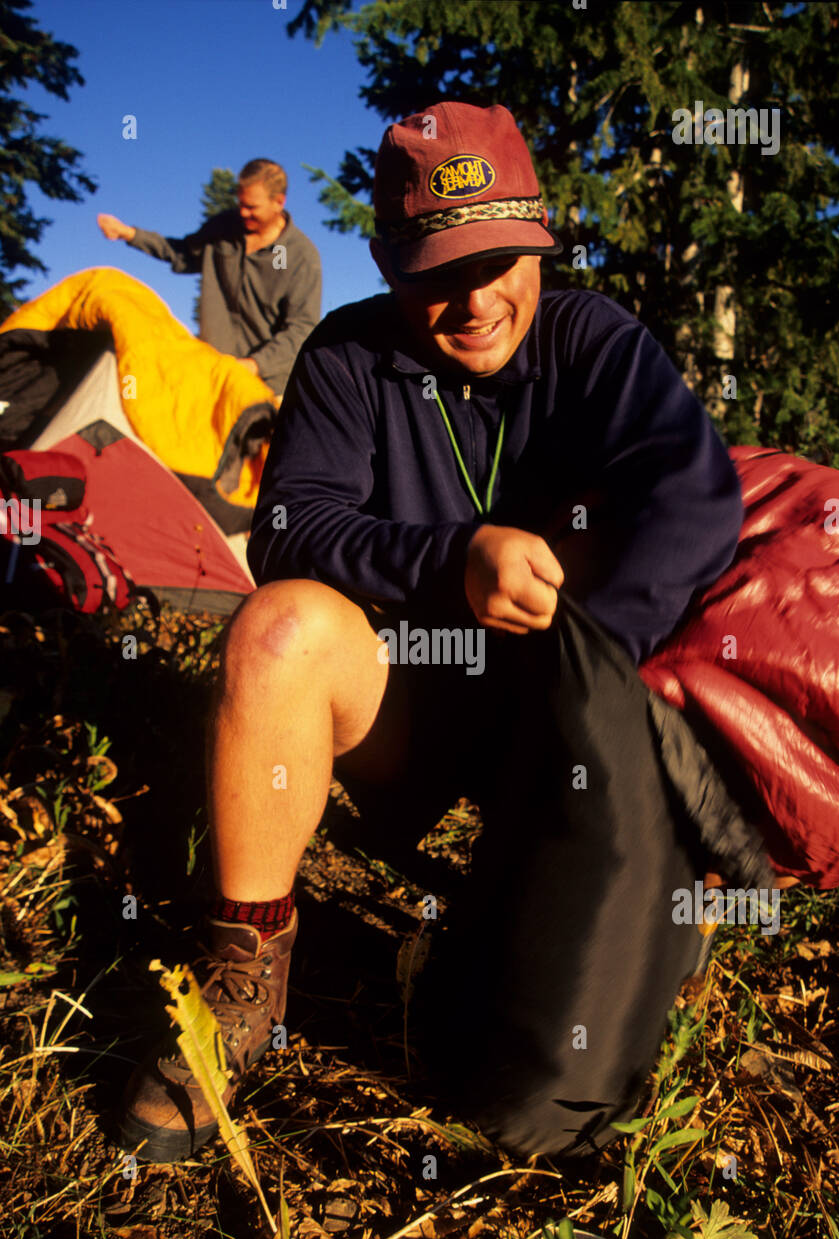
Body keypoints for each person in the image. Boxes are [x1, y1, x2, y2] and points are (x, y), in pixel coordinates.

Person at [118, 103, 744, 1162]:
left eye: (498, 259)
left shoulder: (595, 340)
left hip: (567, 713)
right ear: (387, 266)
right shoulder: (349, 357)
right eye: (432, 270)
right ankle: (247, 972)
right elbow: (287, 529)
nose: (473, 299)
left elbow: (697, 500)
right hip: (402, 689)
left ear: (539, 240)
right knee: (276, 632)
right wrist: (449, 562)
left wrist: (591, 670)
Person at [97, 159, 321, 396]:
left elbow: (301, 328)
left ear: (278, 202)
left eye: (252, 207)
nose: (243, 213)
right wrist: (130, 234)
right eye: (240, 204)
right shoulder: (223, 227)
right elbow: (183, 254)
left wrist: (254, 365)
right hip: (211, 376)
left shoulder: (300, 256)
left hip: (268, 388)